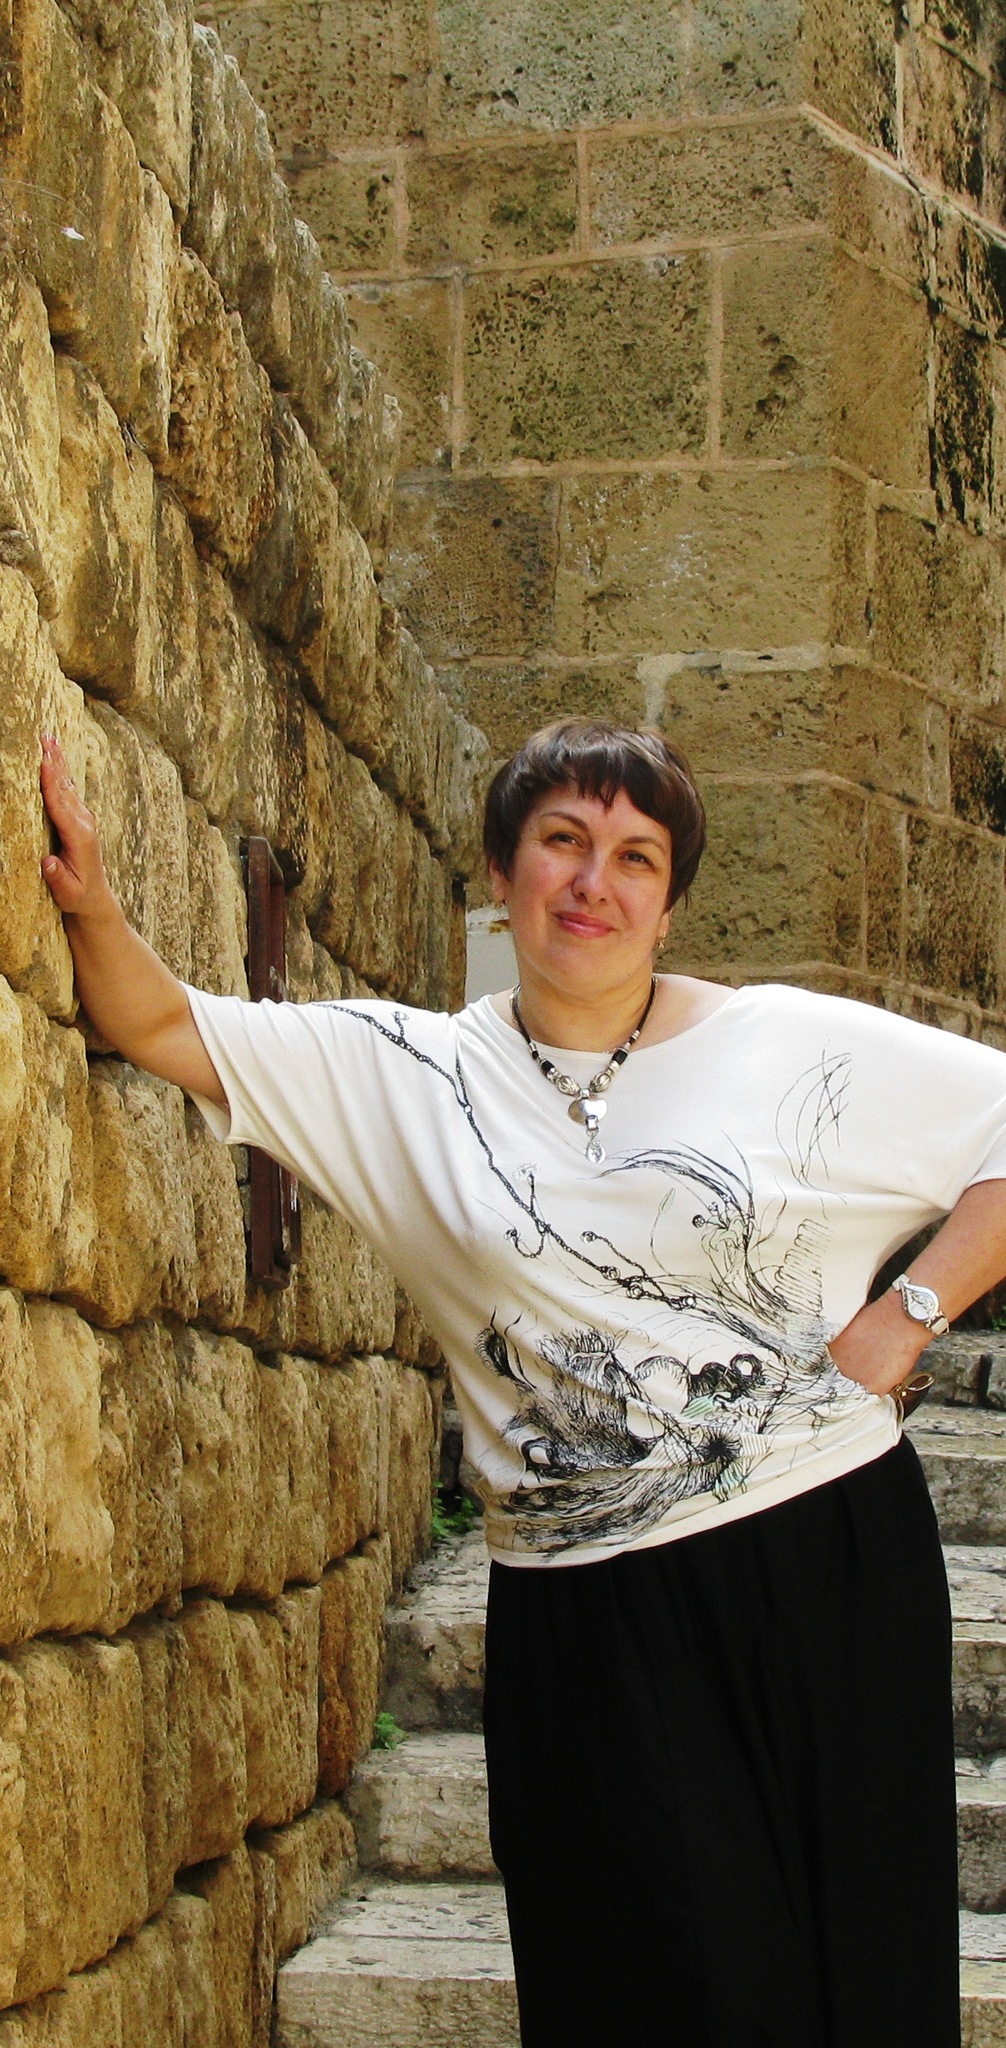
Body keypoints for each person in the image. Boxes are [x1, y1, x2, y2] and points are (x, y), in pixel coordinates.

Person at [39, 718, 1006, 2048]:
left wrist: (908, 1315)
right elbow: (159, 1022)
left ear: (669, 900)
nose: (592, 883)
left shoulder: (788, 1044)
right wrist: (88, 901)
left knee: (857, 1963)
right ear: (501, 872)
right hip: (585, 1610)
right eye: (561, 842)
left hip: (825, 1561)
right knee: (639, 1982)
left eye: (635, 856)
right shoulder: (408, 1075)